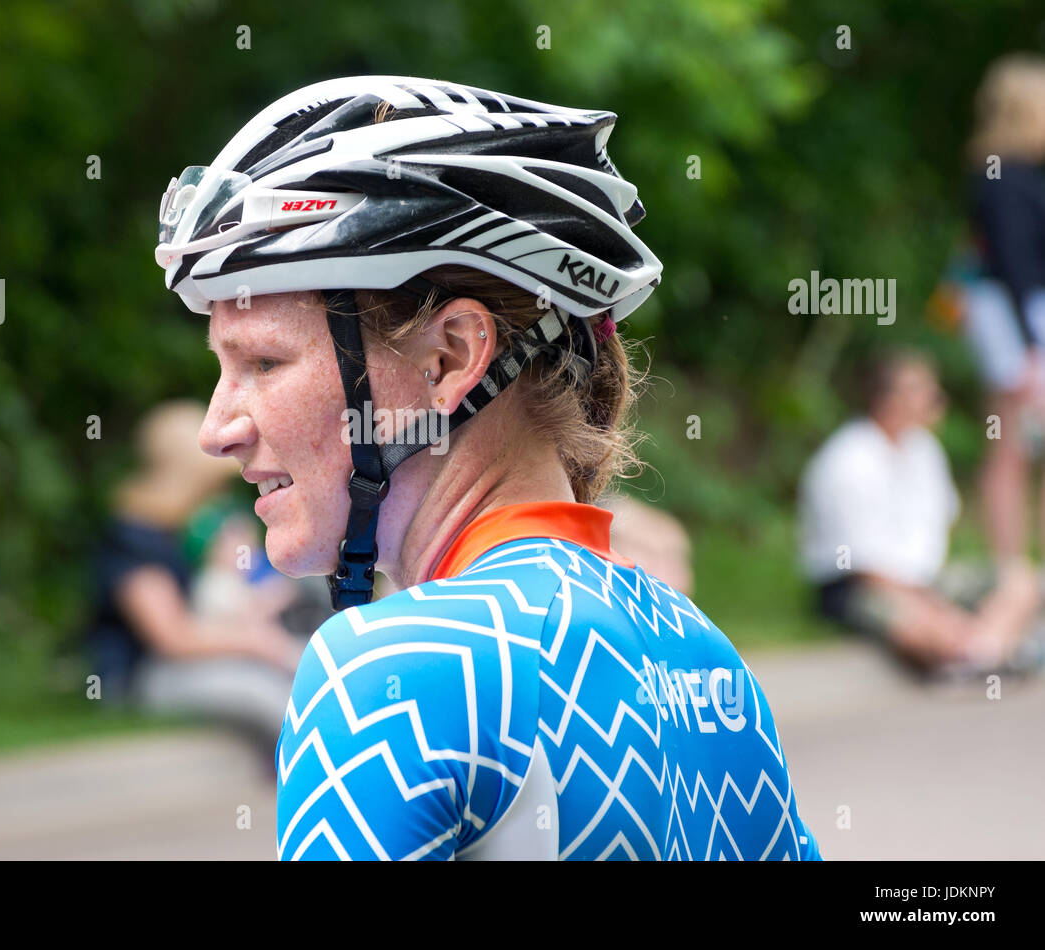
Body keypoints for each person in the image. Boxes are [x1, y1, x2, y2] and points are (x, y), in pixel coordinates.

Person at [153, 76, 821, 860]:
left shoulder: (397, 670)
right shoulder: (705, 657)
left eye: (264, 362)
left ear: (452, 357)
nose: (216, 430)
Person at [798, 348, 1042, 676]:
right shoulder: (847, 460)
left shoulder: (925, 449)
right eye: (920, 389)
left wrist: (937, 600)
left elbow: (936, 530)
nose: (935, 397)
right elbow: (864, 566)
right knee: (915, 623)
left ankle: (977, 654)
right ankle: (987, 652)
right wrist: (936, 608)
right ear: (885, 399)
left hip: (924, 581)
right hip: (858, 586)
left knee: (1022, 580)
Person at [82, 400, 305, 757]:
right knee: (259, 691)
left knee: (298, 666)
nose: (218, 496)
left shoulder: (178, 530)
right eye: (211, 484)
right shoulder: (135, 538)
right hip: (141, 675)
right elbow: (174, 638)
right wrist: (257, 643)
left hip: (184, 663)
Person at [962, 54, 1045, 565]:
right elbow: (1015, 265)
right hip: (1014, 318)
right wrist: (1031, 345)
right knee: (1011, 443)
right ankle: (1011, 562)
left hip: (1021, 315)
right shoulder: (1002, 179)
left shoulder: (1021, 175)